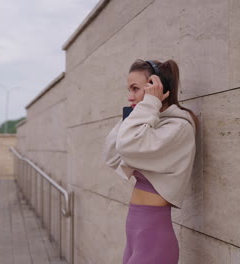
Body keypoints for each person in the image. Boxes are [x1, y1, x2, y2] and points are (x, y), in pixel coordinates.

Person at [103, 59, 198, 264]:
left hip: (154, 236)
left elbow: (128, 146)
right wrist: (139, 111)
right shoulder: (149, 123)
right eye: (129, 89)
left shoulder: (178, 127)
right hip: (135, 232)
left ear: (158, 87)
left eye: (135, 89)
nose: (130, 97)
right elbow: (112, 154)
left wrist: (147, 106)